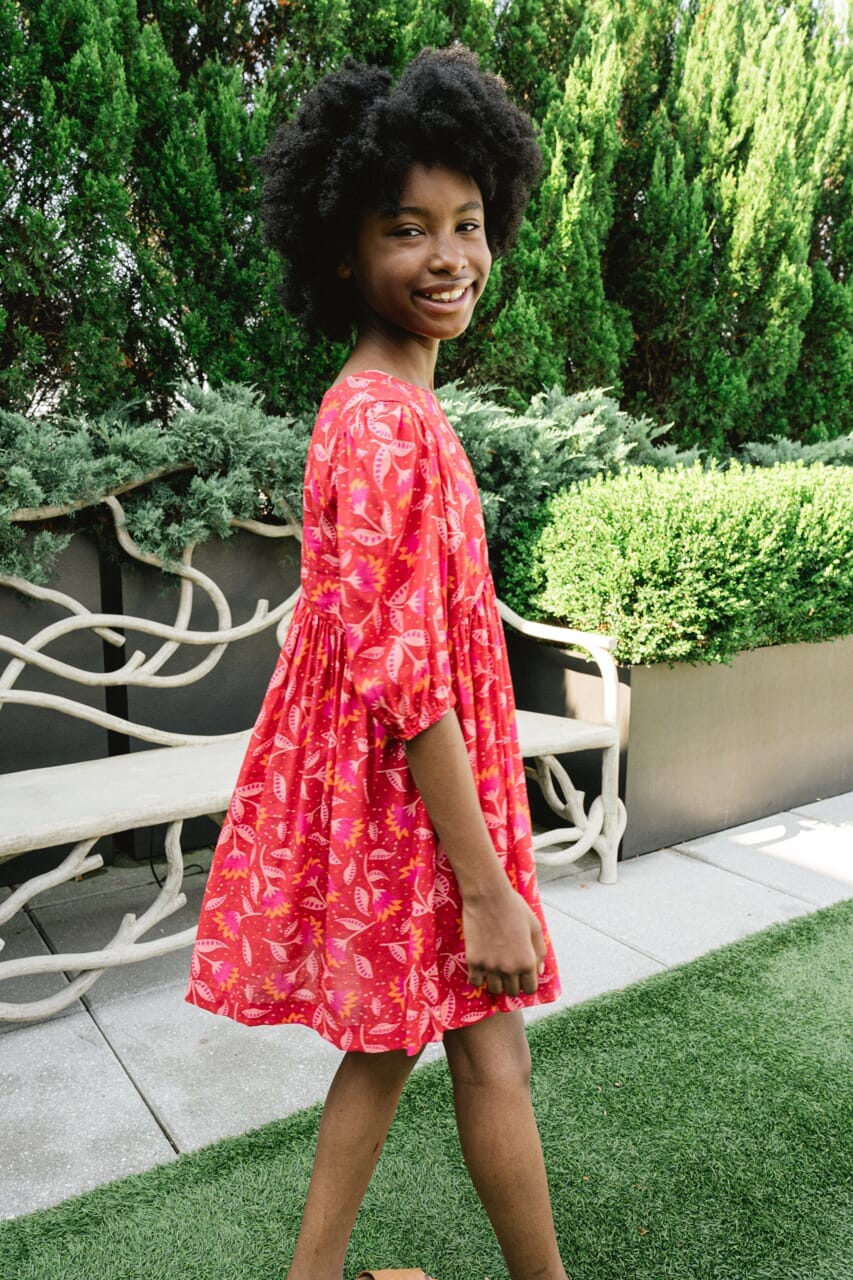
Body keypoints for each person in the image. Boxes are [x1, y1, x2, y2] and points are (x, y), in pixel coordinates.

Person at [186, 45, 568, 1280]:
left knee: (416, 1041)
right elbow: (404, 675)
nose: (449, 255)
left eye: (468, 222)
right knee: (470, 1042)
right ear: (343, 249)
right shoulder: (380, 420)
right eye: (408, 228)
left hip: (423, 790)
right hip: (424, 798)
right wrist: (486, 880)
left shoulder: (389, 402)